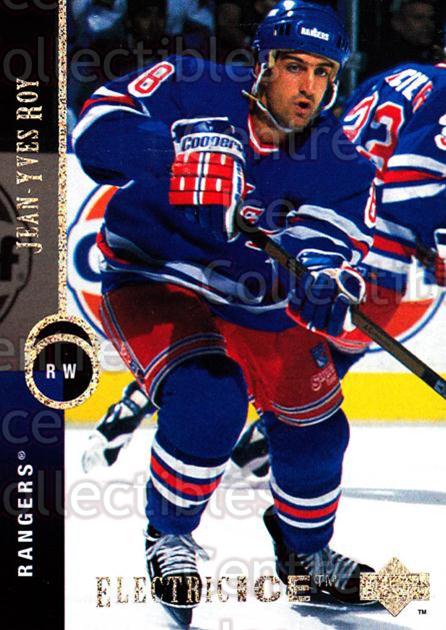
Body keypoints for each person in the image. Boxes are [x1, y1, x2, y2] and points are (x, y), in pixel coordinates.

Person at [74, 1, 378, 624]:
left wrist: (321, 285)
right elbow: (94, 126)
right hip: (155, 277)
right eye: (294, 66)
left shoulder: (340, 160)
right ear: (262, 63)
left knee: (319, 431)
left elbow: (325, 247)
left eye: (323, 72)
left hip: (255, 300)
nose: (309, 87)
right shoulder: (191, 83)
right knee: (210, 398)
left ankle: (306, 557)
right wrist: (172, 154)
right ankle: (170, 537)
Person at [365, 0, 438, 76]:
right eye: (418, 18)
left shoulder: (433, 56)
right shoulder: (386, 62)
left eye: (431, 18)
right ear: (397, 22)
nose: (428, 25)